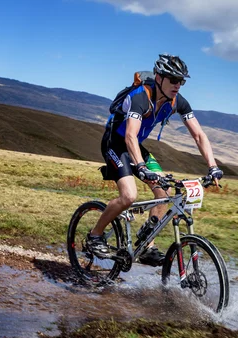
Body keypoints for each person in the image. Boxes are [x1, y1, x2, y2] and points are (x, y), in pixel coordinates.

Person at [87, 53, 224, 266]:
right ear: (159, 77)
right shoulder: (141, 97)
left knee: (164, 191)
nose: (178, 85)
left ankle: (147, 246)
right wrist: (140, 166)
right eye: (174, 79)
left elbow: (198, 135)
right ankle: (95, 235)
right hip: (116, 143)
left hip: (136, 148)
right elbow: (130, 135)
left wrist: (213, 166)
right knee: (129, 196)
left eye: (182, 81)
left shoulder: (178, 102)